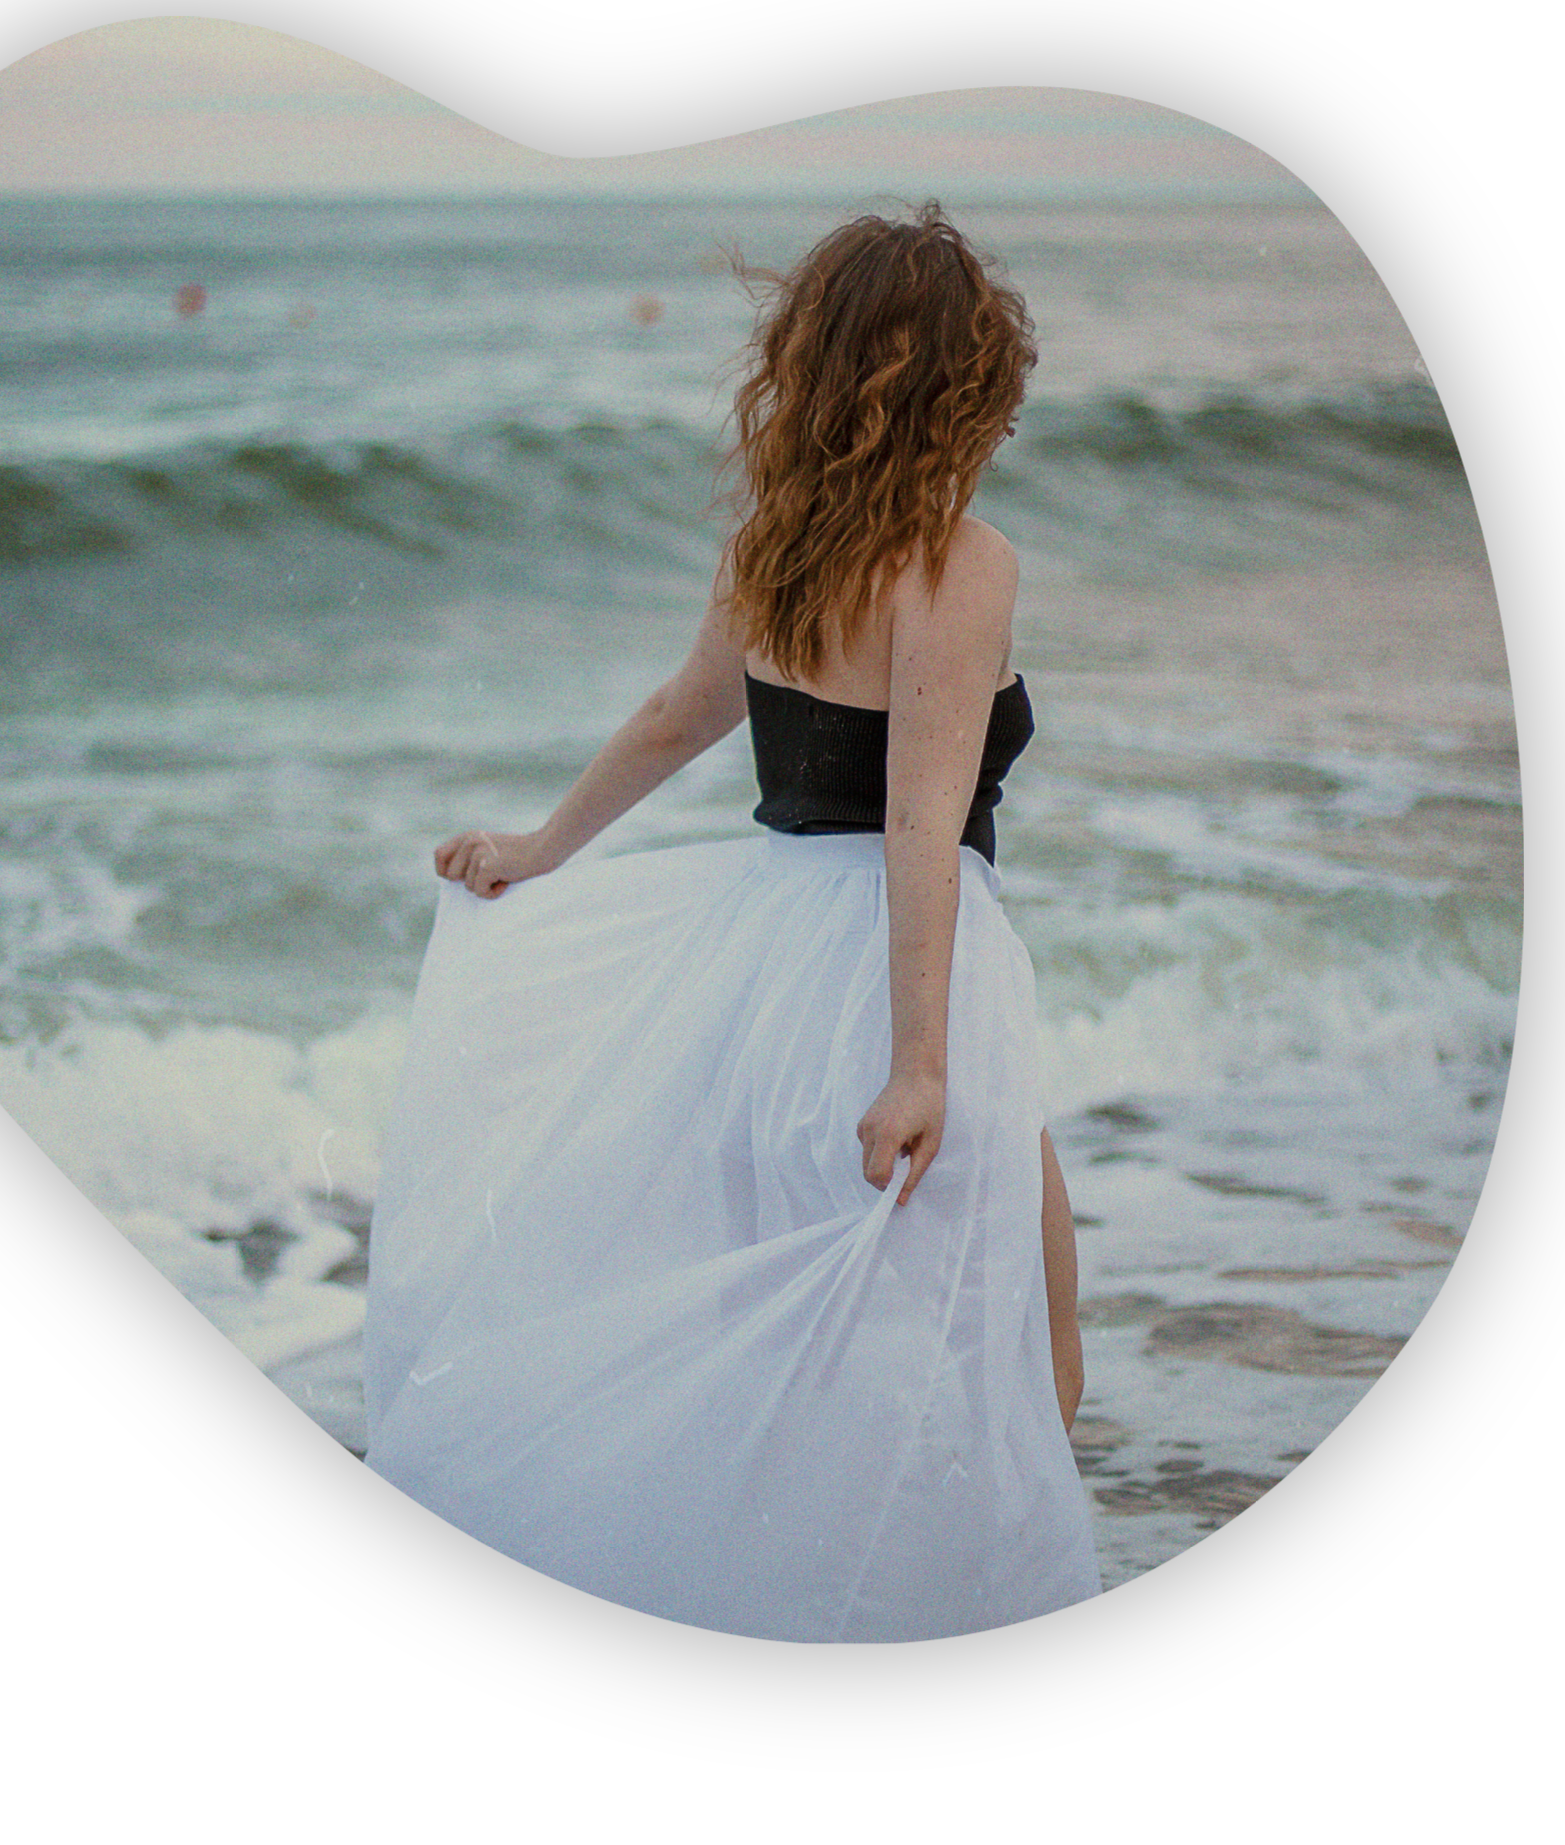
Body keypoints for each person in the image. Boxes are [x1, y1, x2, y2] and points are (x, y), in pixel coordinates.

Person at [360, 202, 1102, 1641]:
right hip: (884, 982)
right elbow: (917, 824)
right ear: (965, 383)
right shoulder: (962, 563)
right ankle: (972, 1579)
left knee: (852, 1326)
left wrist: (539, 846)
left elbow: (671, 721)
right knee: (998, 1307)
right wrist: (922, 1063)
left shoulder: (776, 541)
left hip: (759, 973)